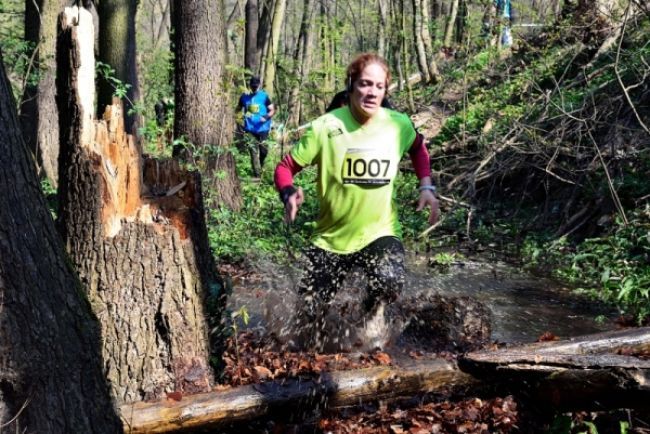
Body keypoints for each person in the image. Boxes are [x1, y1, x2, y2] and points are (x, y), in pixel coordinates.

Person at [274, 53, 439, 349]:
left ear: (385, 90)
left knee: (389, 280)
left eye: (379, 86)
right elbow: (284, 167)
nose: (372, 92)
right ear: (351, 85)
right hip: (331, 238)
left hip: (379, 232)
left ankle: (370, 317)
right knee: (308, 316)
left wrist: (426, 185)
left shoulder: (397, 124)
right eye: (365, 84)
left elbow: (418, 148)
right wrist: (288, 192)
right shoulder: (325, 126)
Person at [237, 76, 276, 177]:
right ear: (250, 86)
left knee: (263, 151)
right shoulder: (244, 97)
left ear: (259, 85)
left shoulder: (264, 96)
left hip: (263, 128)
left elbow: (272, 110)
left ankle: (261, 164)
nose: (254, 88)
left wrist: (266, 117)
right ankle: (257, 174)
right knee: (253, 151)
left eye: (256, 86)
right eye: (252, 86)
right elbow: (237, 110)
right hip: (249, 129)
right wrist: (237, 120)